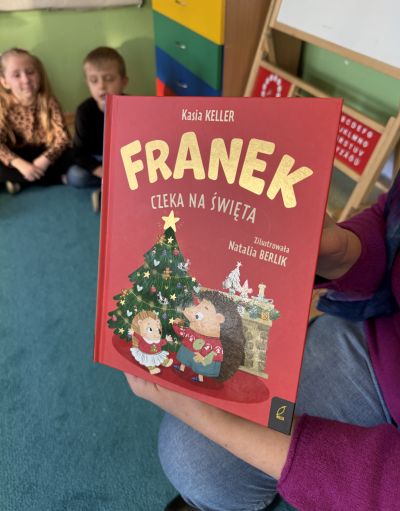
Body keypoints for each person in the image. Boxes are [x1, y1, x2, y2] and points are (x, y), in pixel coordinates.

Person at [125, 172, 400, 510]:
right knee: (191, 450)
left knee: (195, 461)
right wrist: (346, 250)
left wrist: (222, 426)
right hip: (376, 335)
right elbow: (390, 222)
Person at [0, 48, 71, 194]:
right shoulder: (3, 106)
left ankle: (22, 181)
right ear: (5, 82)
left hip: (43, 153)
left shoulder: (48, 101)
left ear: (38, 74)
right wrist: (19, 164)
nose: (25, 79)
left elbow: (63, 138)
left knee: (74, 154)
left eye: (30, 72)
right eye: (17, 75)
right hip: (16, 156)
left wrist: (45, 159)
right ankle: (51, 178)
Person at [65, 47, 128, 211]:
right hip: (98, 161)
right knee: (75, 176)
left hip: (126, 161)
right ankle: (113, 187)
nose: (102, 86)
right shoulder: (84, 111)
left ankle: (110, 189)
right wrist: (103, 172)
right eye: (94, 81)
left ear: (123, 81)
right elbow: (79, 153)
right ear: (88, 84)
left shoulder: (133, 106)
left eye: (109, 79)